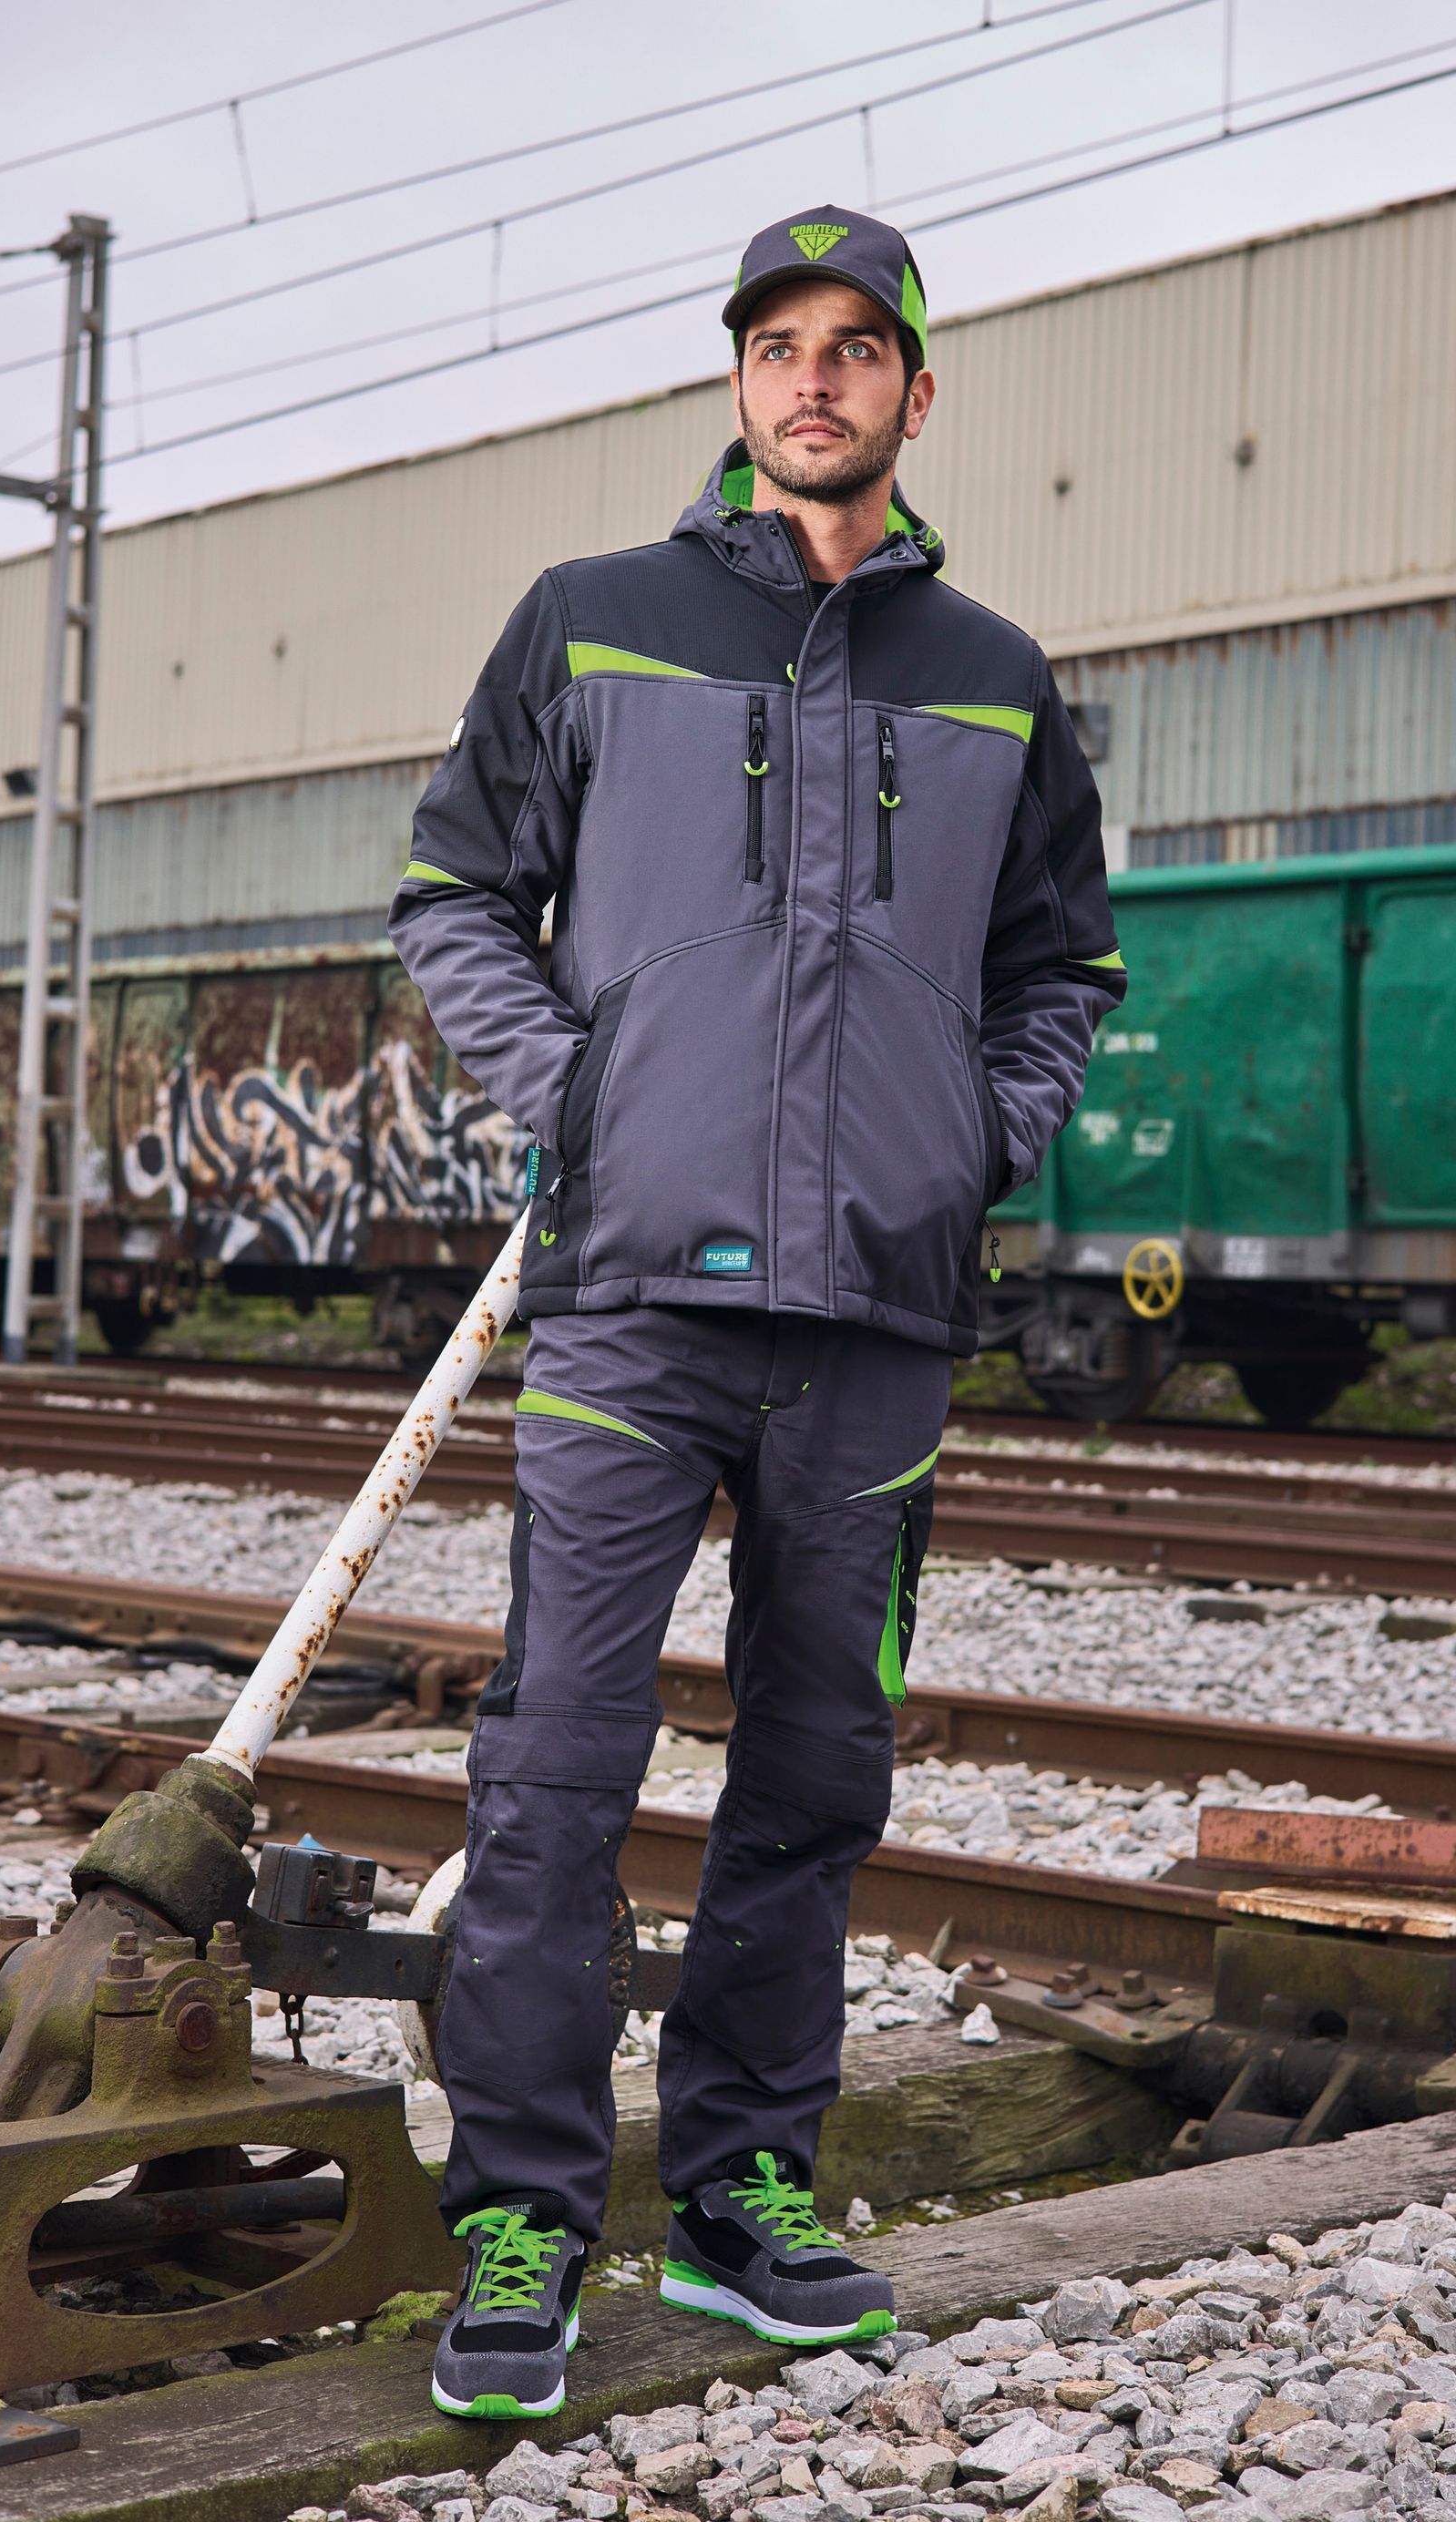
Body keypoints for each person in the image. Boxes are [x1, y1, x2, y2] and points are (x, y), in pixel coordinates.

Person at [389, 203, 1126, 2421]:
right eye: (779, 346)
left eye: (858, 347)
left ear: (919, 389)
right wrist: (583, 1101)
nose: (816, 379)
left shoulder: (994, 671)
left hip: (880, 1321)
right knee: (555, 1769)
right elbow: (453, 899)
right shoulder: (592, 625)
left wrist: (967, 1144)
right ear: (736, 386)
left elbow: (1062, 972)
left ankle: (740, 2189)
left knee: (815, 1768)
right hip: (633, 1304)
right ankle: (524, 2209)